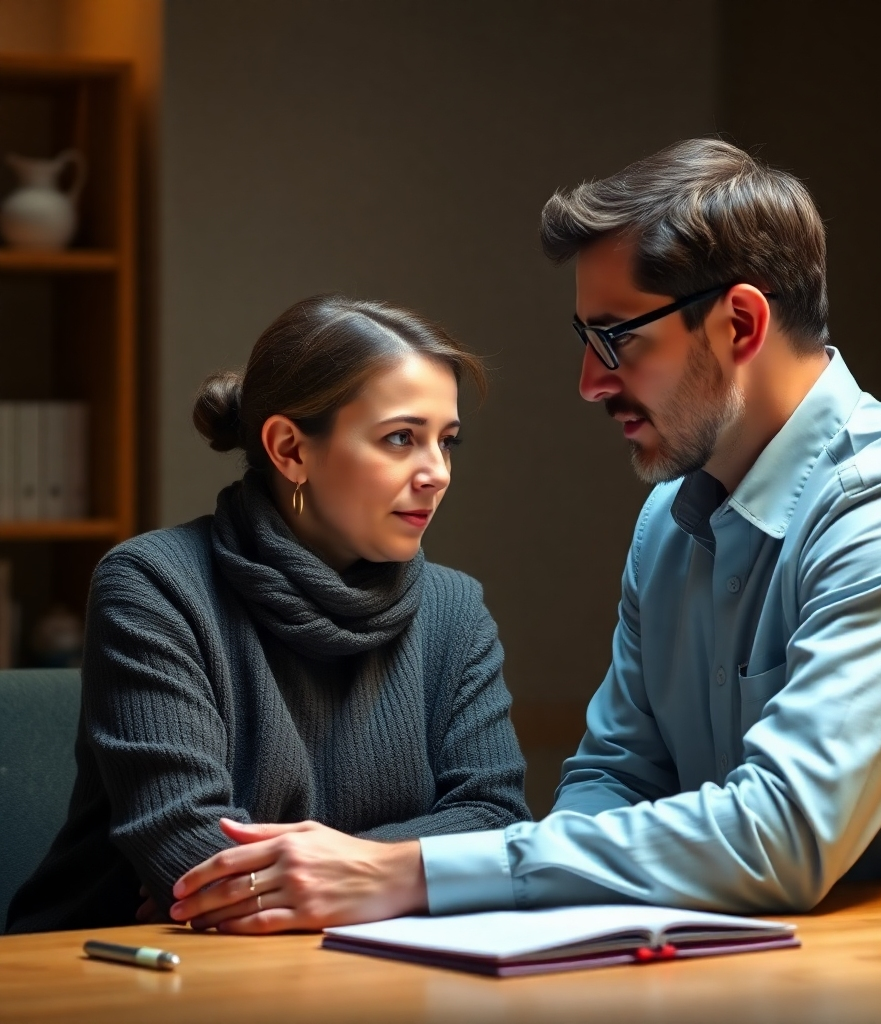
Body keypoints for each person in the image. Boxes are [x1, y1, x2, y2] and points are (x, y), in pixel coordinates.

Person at [165, 137, 881, 931]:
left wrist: (407, 872)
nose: (587, 382)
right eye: (587, 339)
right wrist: (513, 923)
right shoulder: (668, 519)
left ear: (741, 325)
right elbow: (614, 779)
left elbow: (779, 837)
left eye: (615, 338)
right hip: (761, 945)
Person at [5, 295, 530, 935]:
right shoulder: (152, 584)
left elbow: (498, 822)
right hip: (127, 969)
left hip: (350, 965)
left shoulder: (456, 609)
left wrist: (317, 877)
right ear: (289, 449)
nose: (437, 473)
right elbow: (190, 856)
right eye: (401, 439)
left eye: (445, 442)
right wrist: (414, 869)